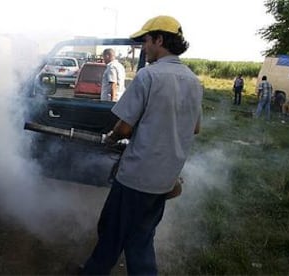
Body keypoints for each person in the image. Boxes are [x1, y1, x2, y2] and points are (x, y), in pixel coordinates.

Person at [81, 15, 202, 275]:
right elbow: (195, 127)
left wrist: (112, 138)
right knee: (141, 238)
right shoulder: (193, 81)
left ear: (160, 39)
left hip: (137, 178)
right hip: (165, 180)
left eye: (146, 40)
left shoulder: (149, 76)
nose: (144, 47)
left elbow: (124, 127)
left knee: (112, 231)